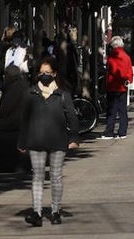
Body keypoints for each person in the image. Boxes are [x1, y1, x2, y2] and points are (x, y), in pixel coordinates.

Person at [17, 56, 80, 226]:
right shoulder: (31, 93)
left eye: (48, 72)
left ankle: (55, 211)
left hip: (58, 141)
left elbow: (72, 117)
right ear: (37, 73)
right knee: (37, 176)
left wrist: (74, 137)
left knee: (56, 177)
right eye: (42, 72)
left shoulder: (62, 94)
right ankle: (36, 213)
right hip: (36, 141)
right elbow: (24, 119)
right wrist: (22, 142)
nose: (44, 75)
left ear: (55, 74)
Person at [100, 35, 134, 139]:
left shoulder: (112, 57)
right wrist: (128, 79)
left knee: (112, 110)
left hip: (113, 86)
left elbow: (113, 70)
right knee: (123, 110)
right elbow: (129, 71)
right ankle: (122, 132)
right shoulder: (127, 56)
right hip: (123, 86)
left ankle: (109, 131)